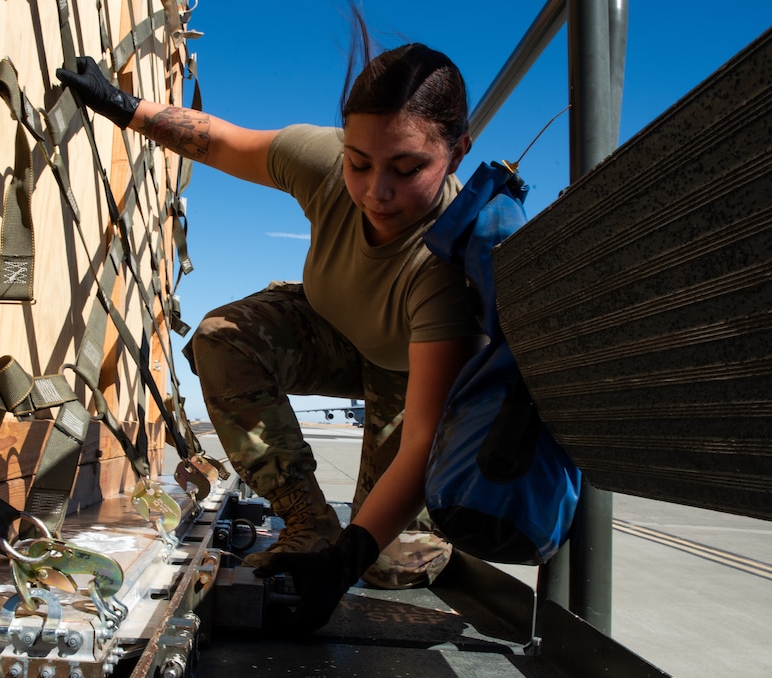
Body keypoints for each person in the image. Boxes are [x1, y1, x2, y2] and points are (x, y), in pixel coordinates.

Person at [57, 28, 480, 633]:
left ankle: (422, 528)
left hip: (407, 370)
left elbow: (418, 443)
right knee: (222, 336)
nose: (376, 191)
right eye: (359, 163)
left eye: (408, 169)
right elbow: (224, 143)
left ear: (458, 150)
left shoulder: (447, 265)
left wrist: (347, 564)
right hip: (330, 327)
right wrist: (126, 108)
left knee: (382, 561)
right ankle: (308, 521)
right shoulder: (325, 162)